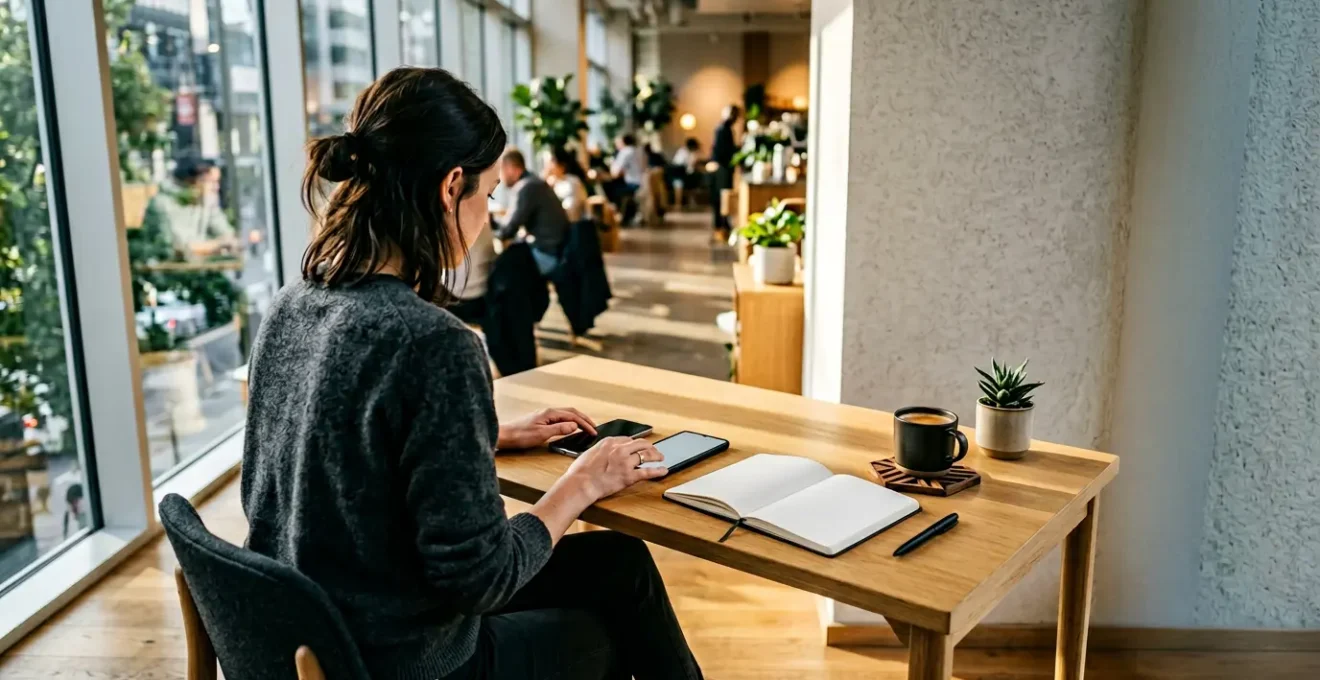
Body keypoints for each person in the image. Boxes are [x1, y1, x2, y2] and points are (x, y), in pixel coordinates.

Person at [242, 67, 702, 680]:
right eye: (487, 194)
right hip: (406, 659)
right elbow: (482, 579)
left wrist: (483, 436)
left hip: (310, 628)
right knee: (604, 634)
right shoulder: (434, 344)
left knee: (620, 563)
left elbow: (323, 458)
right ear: (450, 186)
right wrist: (583, 482)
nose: (488, 212)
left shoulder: (291, 303)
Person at [493, 147, 571, 276]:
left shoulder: (525, 187)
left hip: (549, 256)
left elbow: (507, 231)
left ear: (512, 168)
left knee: (499, 269)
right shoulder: (534, 182)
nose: (500, 176)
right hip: (558, 250)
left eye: (501, 170)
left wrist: (489, 223)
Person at [150, 156, 237, 257]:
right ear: (191, 182)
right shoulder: (164, 204)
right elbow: (182, 247)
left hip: (195, 265)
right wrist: (219, 244)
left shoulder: (205, 199)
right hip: (165, 267)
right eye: (211, 182)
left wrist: (229, 240)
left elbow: (225, 232)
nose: (216, 187)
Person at [710, 105, 740, 236]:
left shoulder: (726, 129)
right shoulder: (723, 130)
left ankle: (723, 223)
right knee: (722, 196)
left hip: (724, 167)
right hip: (723, 167)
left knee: (723, 196)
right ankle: (721, 224)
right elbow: (722, 151)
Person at [605, 133, 646, 223]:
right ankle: (628, 214)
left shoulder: (625, 152)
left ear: (623, 142)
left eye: (618, 142)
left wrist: (612, 162)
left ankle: (617, 216)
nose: (616, 144)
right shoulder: (638, 150)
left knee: (609, 189)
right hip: (642, 182)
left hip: (633, 184)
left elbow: (615, 173)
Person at [544, 147, 589, 222]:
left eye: (550, 162)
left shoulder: (572, 182)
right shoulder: (552, 182)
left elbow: (572, 211)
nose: (548, 166)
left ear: (561, 165)